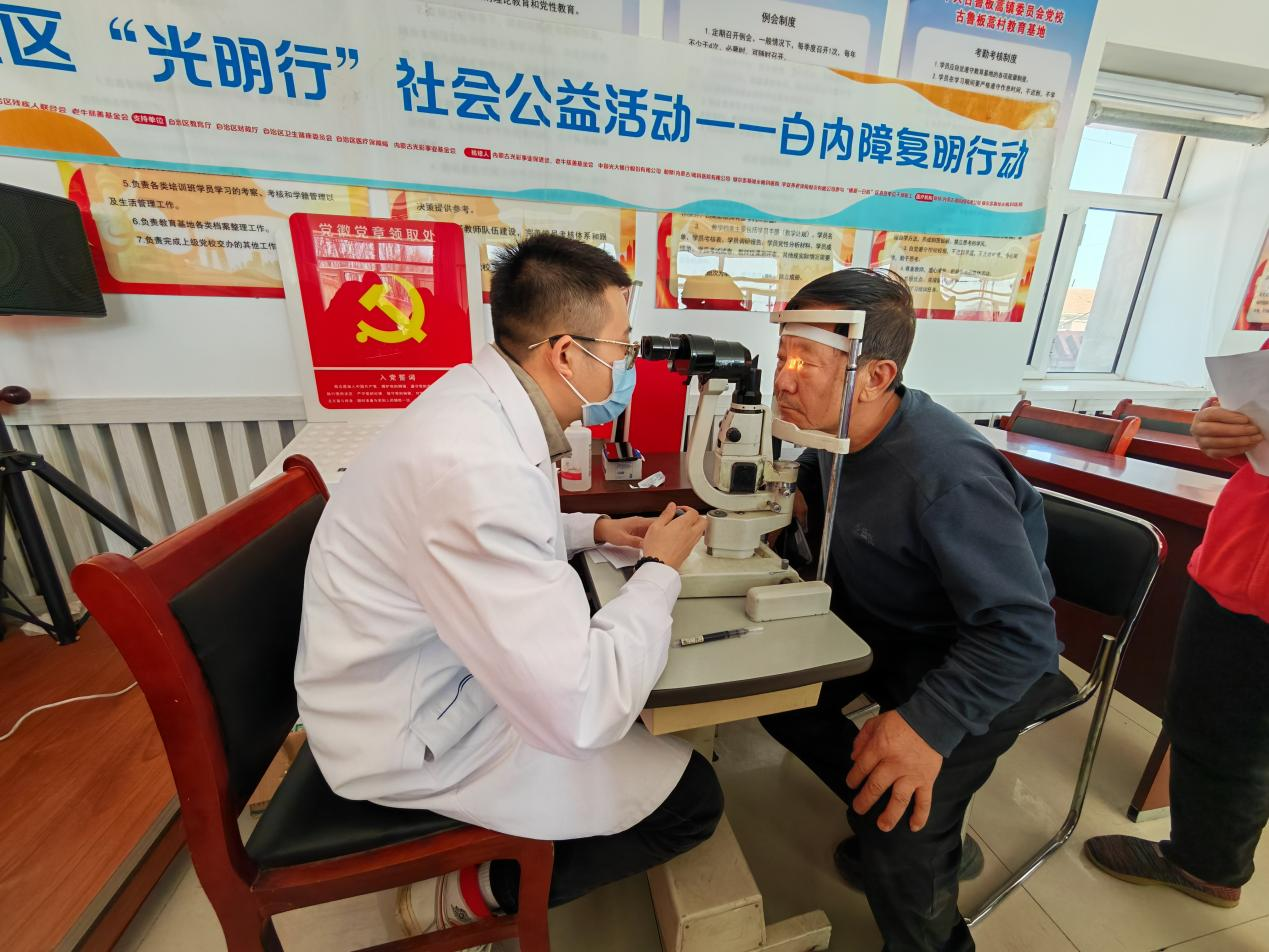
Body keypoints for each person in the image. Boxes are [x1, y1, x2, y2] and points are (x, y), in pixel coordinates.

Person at [295, 234, 721, 942]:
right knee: (692, 801)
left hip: (417, 678)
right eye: (620, 348)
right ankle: (474, 893)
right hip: (410, 733)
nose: (625, 365)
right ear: (565, 354)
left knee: (625, 677)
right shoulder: (476, 467)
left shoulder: (475, 400)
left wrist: (595, 530)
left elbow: (495, 535)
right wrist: (660, 573)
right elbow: (581, 712)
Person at [760, 269, 1070, 952]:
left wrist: (925, 727)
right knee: (778, 696)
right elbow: (823, 489)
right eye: (782, 357)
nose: (782, 380)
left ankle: (907, 835)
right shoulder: (836, 432)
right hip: (889, 624)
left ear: (875, 377)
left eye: (805, 362)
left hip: (983, 657)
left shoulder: (947, 473)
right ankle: (883, 798)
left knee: (897, 829)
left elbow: (1022, 634)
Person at [1085, 339, 1268, 907]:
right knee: (1203, 721)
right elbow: (1249, 420)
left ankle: (1206, 868)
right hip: (1235, 563)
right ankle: (1204, 859)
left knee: (1241, 741)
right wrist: (1218, 428)